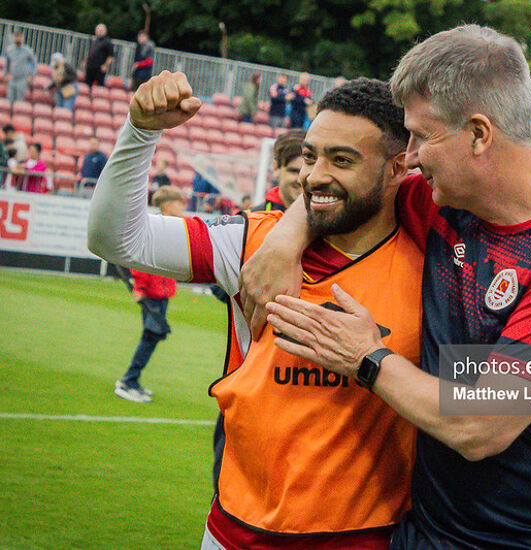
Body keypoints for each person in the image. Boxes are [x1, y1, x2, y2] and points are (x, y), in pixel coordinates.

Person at [245, 25, 531, 549]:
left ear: (479, 134)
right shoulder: (443, 202)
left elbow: (478, 429)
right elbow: (349, 188)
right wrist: (285, 237)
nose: (408, 156)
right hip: (423, 531)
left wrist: (367, 358)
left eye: (421, 136)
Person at [88, 72, 422, 549]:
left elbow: (492, 397)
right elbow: (115, 239)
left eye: (342, 160)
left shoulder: (437, 265)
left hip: (366, 538)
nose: (314, 175)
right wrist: (141, 131)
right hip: (232, 533)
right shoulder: (251, 242)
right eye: (310, 156)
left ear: (396, 168)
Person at [113, 186, 187, 402]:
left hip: (161, 292)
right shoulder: (155, 227)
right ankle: (128, 381)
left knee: (153, 335)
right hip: (151, 293)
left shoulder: (171, 226)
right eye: (178, 202)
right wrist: (139, 288)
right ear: (167, 206)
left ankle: (132, 379)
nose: (182, 206)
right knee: (151, 335)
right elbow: (142, 260)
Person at [251, 128, 304, 212]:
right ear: (276, 169)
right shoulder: (250, 221)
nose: (301, 180)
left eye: (309, 172)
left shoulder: (328, 221)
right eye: (294, 171)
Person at [2, 29, 36, 104]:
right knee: (9, 100)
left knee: (19, 102)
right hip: (12, 78)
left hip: (22, 79)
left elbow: (34, 63)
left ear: (23, 38)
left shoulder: (28, 50)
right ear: (13, 38)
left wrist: (31, 75)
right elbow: (7, 63)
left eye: (20, 37)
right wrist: (4, 75)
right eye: (16, 37)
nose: (18, 38)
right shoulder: (9, 49)